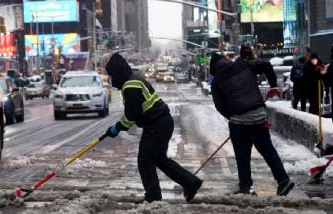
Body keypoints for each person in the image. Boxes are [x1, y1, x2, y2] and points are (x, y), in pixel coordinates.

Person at [105, 53, 203, 203]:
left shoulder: (131, 86)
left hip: (156, 125)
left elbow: (131, 116)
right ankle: (190, 183)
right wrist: (119, 126)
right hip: (161, 122)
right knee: (159, 159)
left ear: (118, 73)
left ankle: (153, 197)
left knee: (145, 161)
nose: (112, 80)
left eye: (112, 76)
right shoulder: (134, 81)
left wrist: (117, 128)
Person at [210, 50, 294, 196]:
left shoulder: (217, 81)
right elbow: (266, 65)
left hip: (239, 123)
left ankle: (246, 188)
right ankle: (283, 180)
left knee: (243, 157)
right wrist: (273, 85)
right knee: (268, 151)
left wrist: (233, 116)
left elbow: (219, 106)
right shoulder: (243, 64)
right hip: (259, 116)